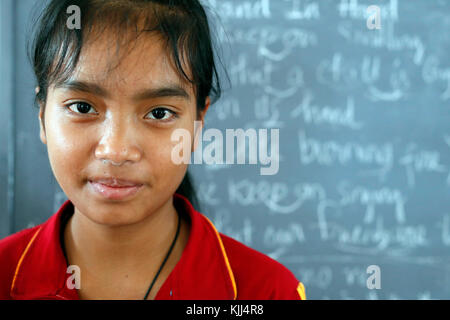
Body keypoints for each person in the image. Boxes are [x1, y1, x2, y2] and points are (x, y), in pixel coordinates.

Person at [0, 0, 306, 300]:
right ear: (42, 115)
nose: (116, 151)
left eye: (159, 113)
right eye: (82, 107)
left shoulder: (267, 292)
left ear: (198, 123)